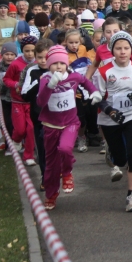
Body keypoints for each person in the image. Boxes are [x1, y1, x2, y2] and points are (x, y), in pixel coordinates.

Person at [37, 45, 99, 210]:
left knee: (65, 149)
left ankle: (67, 173)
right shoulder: (45, 79)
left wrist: (94, 92)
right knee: (51, 165)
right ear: (48, 64)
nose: (58, 67)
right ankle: (51, 194)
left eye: (62, 63)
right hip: (50, 125)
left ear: (66, 64)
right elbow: (40, 102)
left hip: (70, 123)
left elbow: (85, 81)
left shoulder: (73, 76)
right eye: (54, 63)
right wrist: (50, 86)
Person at [93, 32, 132, 212]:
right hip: (109, 120)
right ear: (112, 50)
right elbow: (96, 97)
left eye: (126, 48)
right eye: (118, 48)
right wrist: (110, 110)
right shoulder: (104, 71)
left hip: (131, 115)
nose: (122, 52)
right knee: (121, 159)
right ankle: (112, 154)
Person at [3, 34, 39, 167]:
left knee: (30, 129)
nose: (30, 54)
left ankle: (29, 156)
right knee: (20, 130)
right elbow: (6, 79)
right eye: (26, 51)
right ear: (22, 50)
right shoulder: (15, 64)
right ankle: (16, 140)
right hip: (17, 102)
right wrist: (15, 84)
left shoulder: (38, 64)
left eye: (32, 51)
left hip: (31, 103)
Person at [20, 39, 52, 175]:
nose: (43, 61)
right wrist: (38, 83)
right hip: (38, 115)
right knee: (42, 147)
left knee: (57, 146)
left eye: (46, 57)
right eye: (39, 57)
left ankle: (59, 170)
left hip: (57, 116)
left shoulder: (60, 68)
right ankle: (45, 176)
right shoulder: (32, 70)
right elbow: (24, 94)